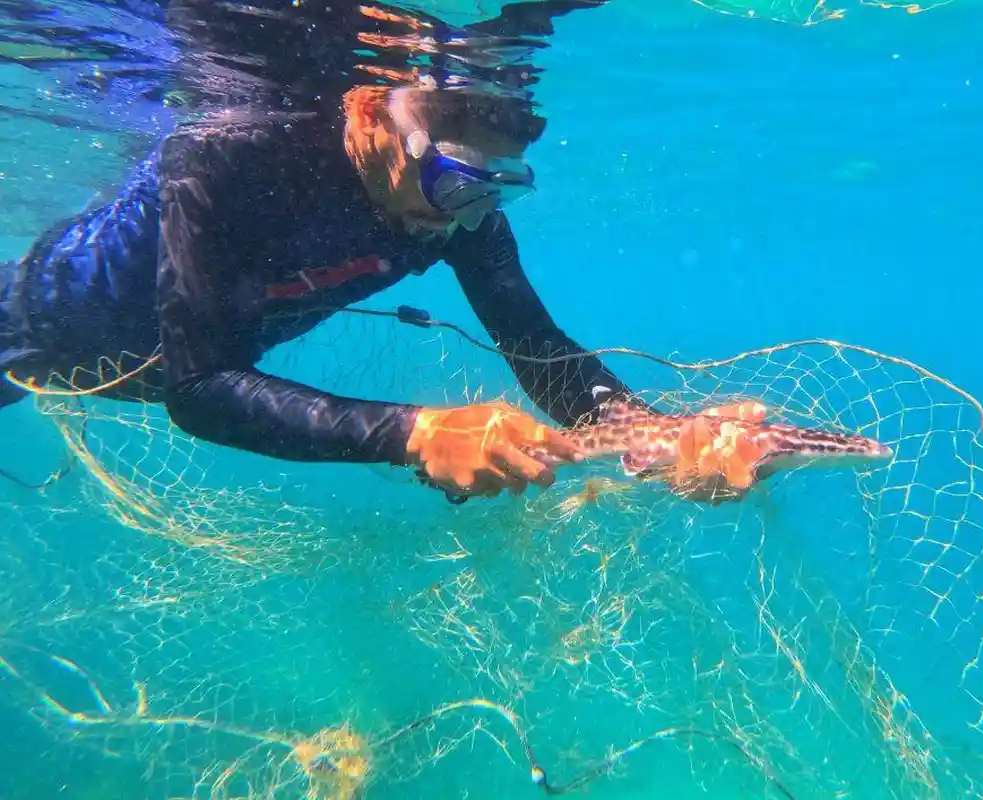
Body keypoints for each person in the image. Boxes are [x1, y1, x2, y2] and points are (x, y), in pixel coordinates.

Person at [0, 1, 766, 504]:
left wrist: (650, 434)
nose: (470, 215)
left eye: (500, 189)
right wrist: (417, 432)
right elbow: (199, 385)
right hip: (28, 327)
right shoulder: (231, 158)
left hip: (123, 368)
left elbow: (535, 345)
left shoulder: (458, 213)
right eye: (460, 182)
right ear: (371, 116)